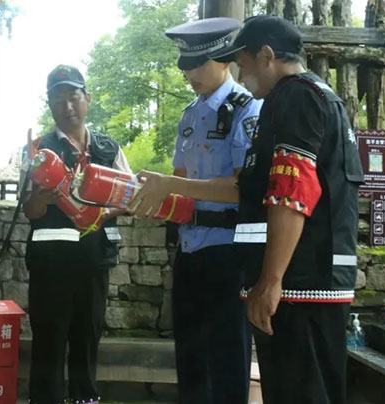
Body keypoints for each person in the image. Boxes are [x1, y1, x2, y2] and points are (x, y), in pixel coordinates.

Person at [132, 16, 364, 404]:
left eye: (243, 63)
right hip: (309, 277)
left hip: (300, 280)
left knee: (293, 388)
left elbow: (291, 191)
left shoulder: (295, 97)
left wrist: (270, 280)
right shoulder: (320, 97)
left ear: (268, 56)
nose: (241, 74)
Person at [134, 18, 262, 404]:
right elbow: (178, 184)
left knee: (225, 363)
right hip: (189, 250)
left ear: (224, 60)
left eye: (198, 64)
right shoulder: (190, 115)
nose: (189, 73)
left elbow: (242, 189)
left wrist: (170, 185)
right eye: (185, 66)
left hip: (228, 253)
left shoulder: (247, 110)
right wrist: (146, 199)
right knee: (190, 360)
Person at [23, 64, 131, 404]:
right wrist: (41, 198)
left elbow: (130, 198)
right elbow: (28, 211)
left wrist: (96, 212)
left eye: (74, 97)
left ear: (88, 99)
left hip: (93, 263)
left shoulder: (107, 148)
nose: (67, 106)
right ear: (49, 105)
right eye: (58, 100)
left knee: (87, 341)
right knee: (48, 345)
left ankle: (86, 399)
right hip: (49, 267)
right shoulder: (38, 150)